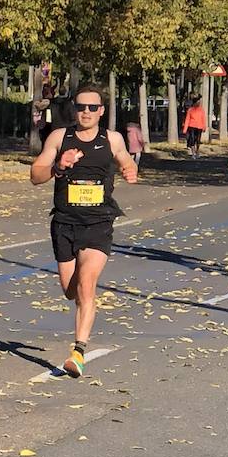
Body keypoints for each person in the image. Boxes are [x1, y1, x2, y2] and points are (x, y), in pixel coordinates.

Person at [30, 81, 139, 377]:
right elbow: (35, 175)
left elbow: (127, 161)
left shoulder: (112, 139)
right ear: (74, 109)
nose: (86, 112)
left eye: (93, 107)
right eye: (81, 107)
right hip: (65, 223)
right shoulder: (59, 137)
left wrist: (130, 170)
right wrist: (58, 167)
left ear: (101, 111)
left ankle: (78, 352)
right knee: (70, 290)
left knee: (87, 283)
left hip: (98, 223)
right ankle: (79, 316)